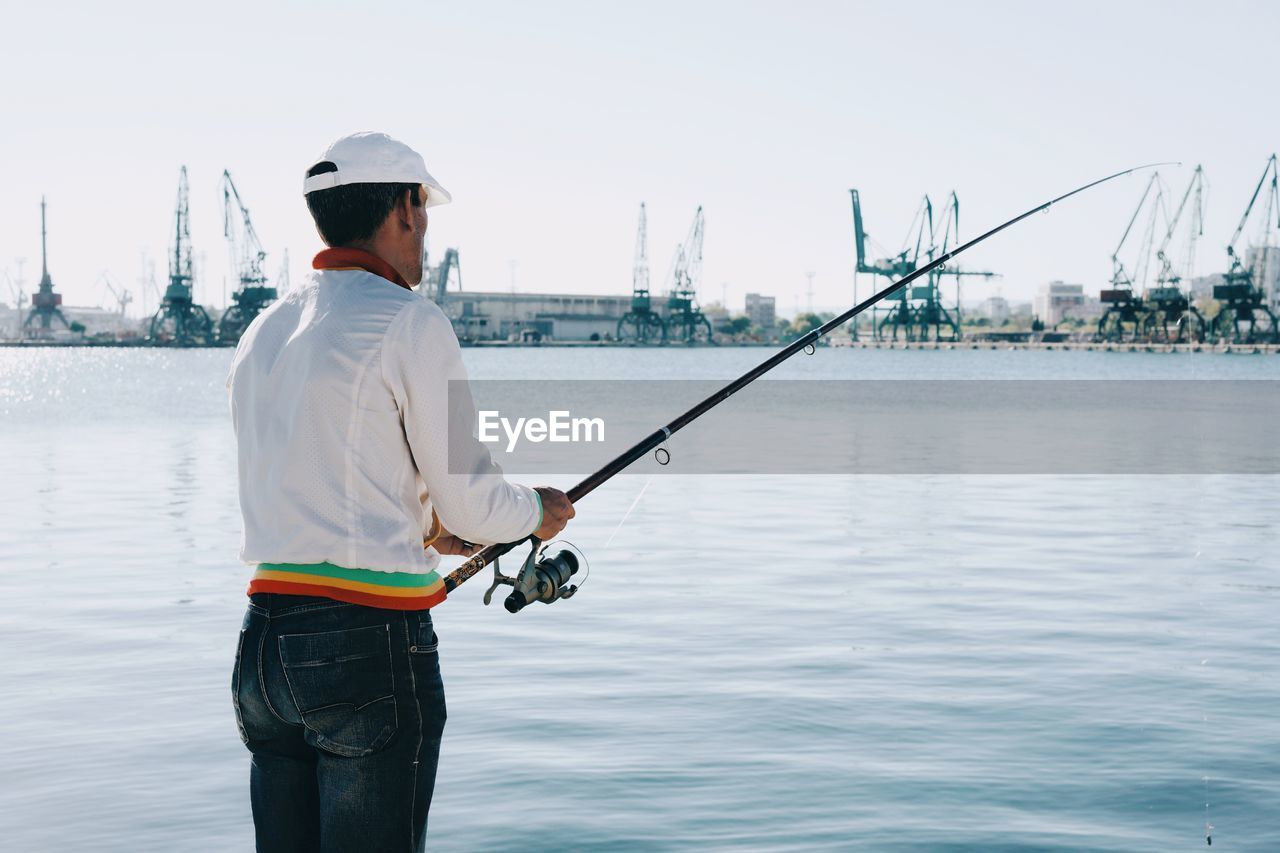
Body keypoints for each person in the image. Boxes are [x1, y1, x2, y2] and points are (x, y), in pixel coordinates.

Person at [226, 131, 574, 852]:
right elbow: (477, 500)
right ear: (406, 210)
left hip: (262, 650)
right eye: (424, 212)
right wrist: (538, 510)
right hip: (364, 650)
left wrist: (423, 527)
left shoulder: (263, 330)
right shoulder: (411, 321)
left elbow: (314, 478)